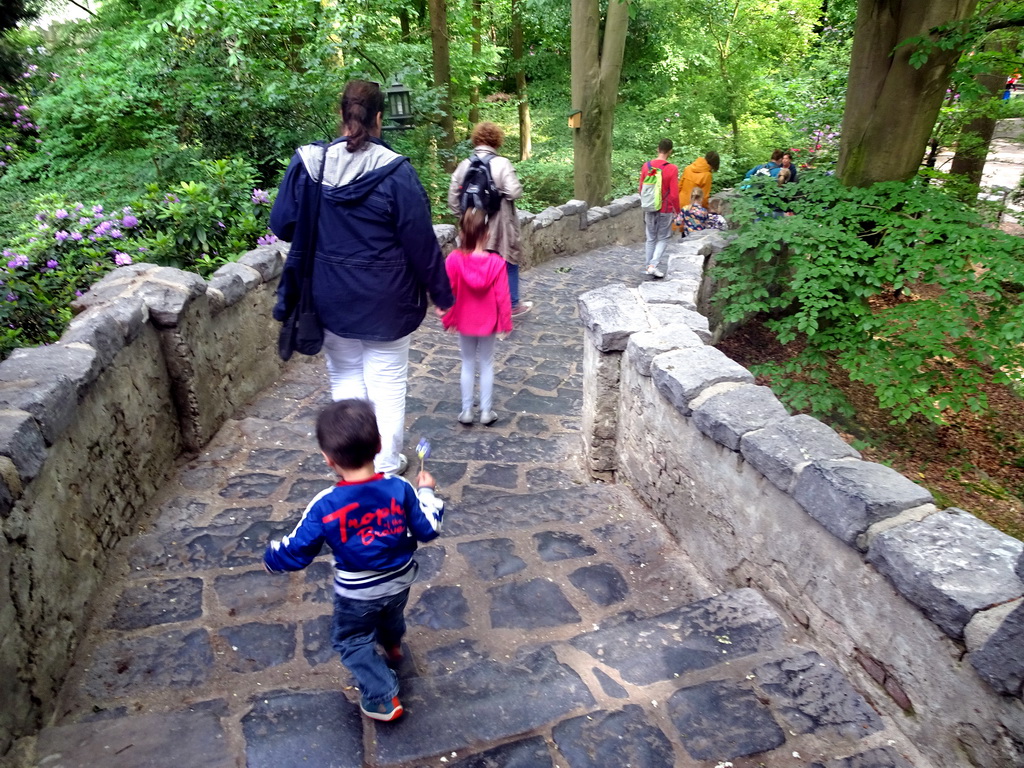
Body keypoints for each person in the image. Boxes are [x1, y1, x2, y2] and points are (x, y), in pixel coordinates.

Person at [271, 80, 454, 477]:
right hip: (389, 302)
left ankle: (353, 465)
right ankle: (386, 466)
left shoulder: (309, 165)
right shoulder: (396, 173)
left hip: (330, 296)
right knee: (387, 383)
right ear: (379, 120)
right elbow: (421, 244)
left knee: (347, 377)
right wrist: (443, 295)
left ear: (341, 116)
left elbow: (282, 223)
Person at [263, 398, 444, 723]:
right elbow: (428, 529)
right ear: (378, 446)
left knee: (351, 640)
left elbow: (298, 549)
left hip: (357, 593)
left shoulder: (325, 504)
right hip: (400, 580)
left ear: (328, 459)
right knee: (390, 614)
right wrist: (427, 494)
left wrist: (273, 556)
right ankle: (392, 646)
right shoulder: (401, 489)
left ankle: (381, 696)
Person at [448, 122, 532, 317]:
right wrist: (497, 193)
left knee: (475, 261)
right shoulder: (502, 163)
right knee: (507, 261)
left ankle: (477, 304)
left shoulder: (465, 164)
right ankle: (512, 304)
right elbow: (514, 191)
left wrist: (465, 217)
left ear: (476, 140)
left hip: (473, 222)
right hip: (500, 222)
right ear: (497, 141)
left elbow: (453, 196)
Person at [438, 208, 513, 426]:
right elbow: (503, 296)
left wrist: (449, 319)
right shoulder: (496, 263)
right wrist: (505, 322)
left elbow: (448, 291)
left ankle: (466, 410)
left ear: (463, 233)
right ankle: (486, 411)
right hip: (488, 321)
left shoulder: (454, 260)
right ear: (486, 233)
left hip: (464, 320)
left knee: (468, 363)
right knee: (487, 363)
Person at [638, 138, 680, 279]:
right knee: (663, 238)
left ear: (658, 149)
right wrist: (678, 212)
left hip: (649, 207)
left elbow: (641, 189)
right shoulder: (672, 169)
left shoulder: (646, 166)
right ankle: (653, 266)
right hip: (665, 208)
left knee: (650, 238)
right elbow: (674, 194)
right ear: (670, 151)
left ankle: (648, 266)